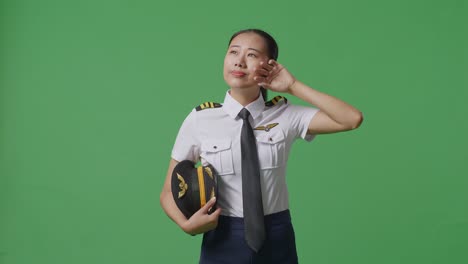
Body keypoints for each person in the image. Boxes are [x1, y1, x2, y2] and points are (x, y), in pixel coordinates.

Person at [160, 29, 363, 264]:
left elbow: (351, 118)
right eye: (233, 52)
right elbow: (168, 192)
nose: (239, 60)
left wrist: (293, 86)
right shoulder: (200, 119)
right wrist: (186, 225)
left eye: (252, 55)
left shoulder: (285, 115)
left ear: (270, 65)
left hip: (276, 234)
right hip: (223, 235)